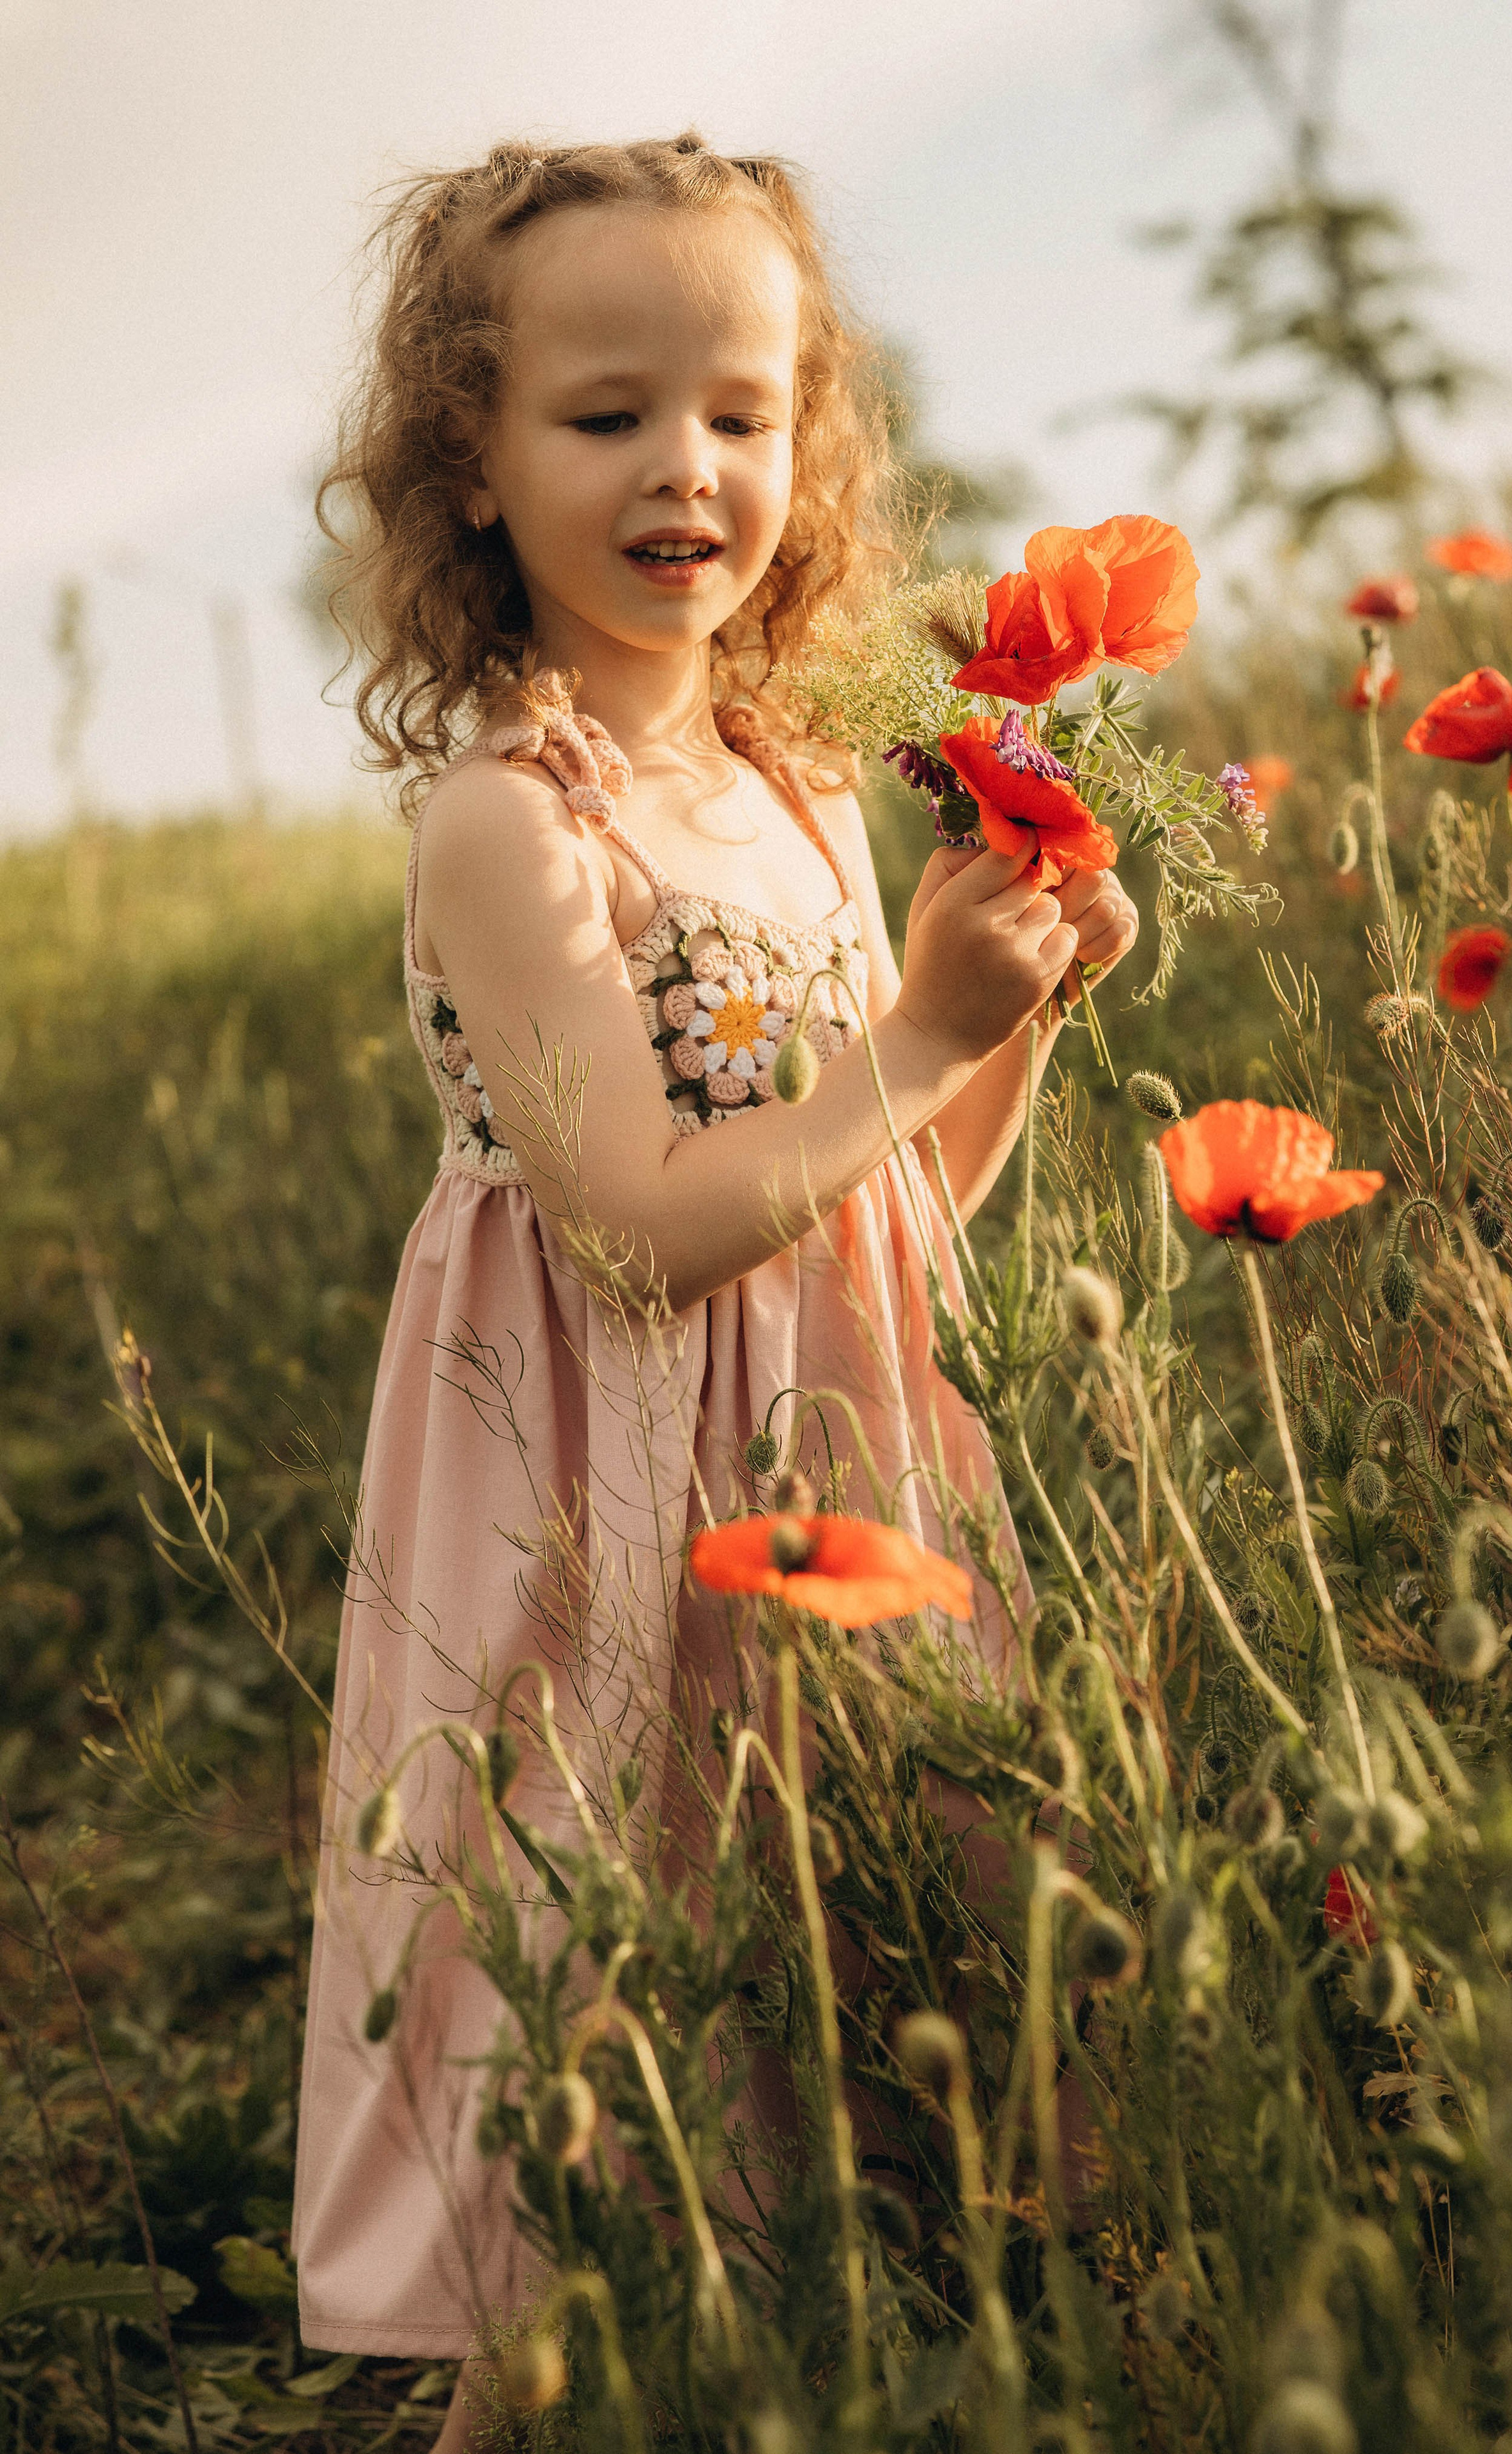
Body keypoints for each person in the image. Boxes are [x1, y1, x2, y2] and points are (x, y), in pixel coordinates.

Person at [289, 133, 1138, 2446]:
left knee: (849, 1949)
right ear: (473, 463)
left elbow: (897, 1205)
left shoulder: (798, 782)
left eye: (743, 414)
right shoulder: (510, 819)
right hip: (591, 1480)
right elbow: (639, 1228)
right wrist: (921, 1031)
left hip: (835, 1464)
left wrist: (1012, 1010)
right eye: (608, 414)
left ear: (805, 447)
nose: (688, 466)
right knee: (601, 1976)